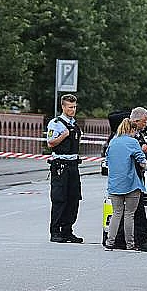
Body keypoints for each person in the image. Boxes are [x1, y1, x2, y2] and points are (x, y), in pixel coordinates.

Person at [104, 118, 147, 251]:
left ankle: (110, 242)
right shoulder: (133, 142)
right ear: (132, 129)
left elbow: (107, 160)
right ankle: (130, 244)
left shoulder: (113, 142)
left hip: (114, 184)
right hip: (131, 184)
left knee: (117, 213)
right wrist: (143, 165)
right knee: (129, 214)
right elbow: (142, 160)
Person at [46, 94, 83, 243]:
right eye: (70, 107)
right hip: (60, 165)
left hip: (73, 166)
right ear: (63, 107)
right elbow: (50, 143)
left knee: (73, 199)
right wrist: (63, 136)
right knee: (60, 199)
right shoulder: (56, 123)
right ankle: (55, 232)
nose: (72, 110)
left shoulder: (74, 124)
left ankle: (67, 230)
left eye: (74, 107)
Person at [128, 107, 147, 252]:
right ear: (136, 120)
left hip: (137, 177)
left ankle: (131, 240)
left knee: (133, 211)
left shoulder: (138, 134)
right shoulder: (130, 135)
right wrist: (143, 151)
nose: (146, 125)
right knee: (136, 212)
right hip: (132, 177)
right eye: (144, 122)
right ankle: (140, 241)